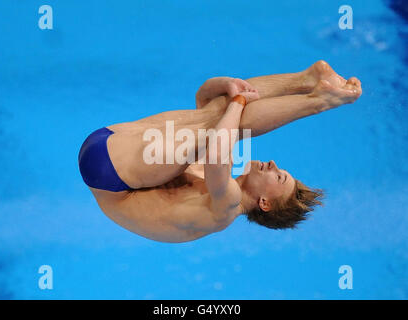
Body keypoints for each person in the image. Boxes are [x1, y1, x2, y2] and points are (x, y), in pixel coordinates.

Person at [78, 60, 362, 243]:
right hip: (109, 141)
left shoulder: (226, 207)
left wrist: (237, 103)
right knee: (217, 113)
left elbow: (217, 154)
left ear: (264, 203)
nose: (274, 164)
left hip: (108, 172)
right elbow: (203, 96)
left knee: (227, 124)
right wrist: (226, 85)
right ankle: (307, 79)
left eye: (279, 178)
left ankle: (320, 100)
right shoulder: (210, 179)